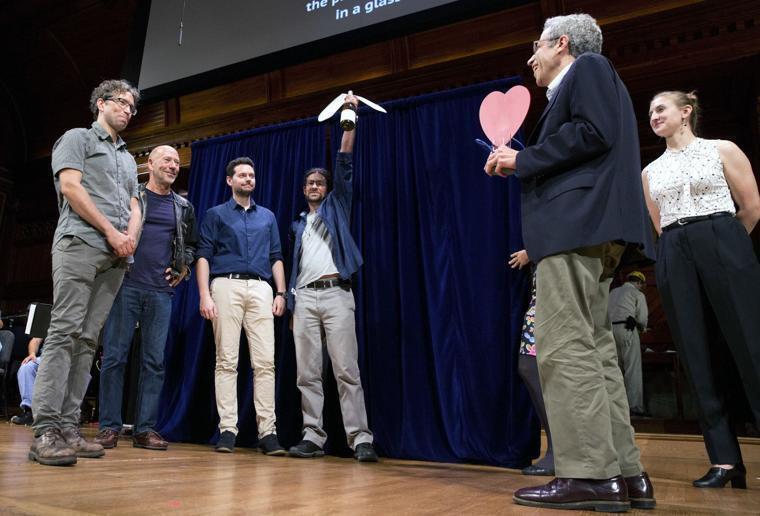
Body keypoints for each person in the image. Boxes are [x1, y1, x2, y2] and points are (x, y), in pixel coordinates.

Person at [484, 13, 656, 511]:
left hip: (576, 229)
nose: (530, 56)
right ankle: (624, 473)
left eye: (536, 45)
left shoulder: (590, 69)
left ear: (562, 44)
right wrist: (525, 159)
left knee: (562, 351)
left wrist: (523, 159)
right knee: (596, 351)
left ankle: (588, 475)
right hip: (590, 231)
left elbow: (591, 133)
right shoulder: (589, 80)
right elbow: (587, 140)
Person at [642, 90, 760, 489]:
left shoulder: (721, 148)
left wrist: (724, 249)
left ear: (686, 112)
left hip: (723, 237)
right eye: (651, 112)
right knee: (695, 352)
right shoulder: (650, 171)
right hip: (675, 248)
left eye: (661, 109)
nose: (654, 116)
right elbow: (659, 223)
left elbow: (751, 206)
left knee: (750, 343)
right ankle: (725, 461)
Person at [30, 79, 141, 466]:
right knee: (64, 332)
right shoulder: (77, 138)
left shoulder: (128, 158)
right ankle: (44, 429)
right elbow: (72, 188)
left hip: (116, 257)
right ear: (101, 103)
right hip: (80, 244)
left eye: (132, 107)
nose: (128, 110)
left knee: (88, 340)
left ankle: (68, 425)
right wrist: (111, 232)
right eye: (122, 103)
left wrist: (130, 238)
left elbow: (135, 202)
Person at [286, 94, 377, 463]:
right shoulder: (296, 225)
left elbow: (343, 163)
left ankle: (360, 439)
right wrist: (292, 303)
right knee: (307, 374)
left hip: (337, 294)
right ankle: (313, 436)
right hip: (305, 298)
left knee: (346, 370)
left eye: (319, 182)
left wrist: (349, 118)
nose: (313, 186)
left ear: (327, 188)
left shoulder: (337, 207)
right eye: (309, 183)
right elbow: (292, 270)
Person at [94, 145, 197, 451]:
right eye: (167, 159)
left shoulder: (183, 207)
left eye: (177, 162)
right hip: (126, 286)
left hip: (160, 292)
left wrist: (183, 267)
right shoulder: (132, 196)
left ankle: (144, 429)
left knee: (154, 362)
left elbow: (190, 243)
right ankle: (109, 427)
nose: (173, 165)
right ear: (150, 163)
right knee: (114, 358)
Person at [196, 157, 287, 456]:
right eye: (242, 175)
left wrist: (281, 293)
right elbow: (204, 255)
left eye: (251, 175)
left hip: (261, 288)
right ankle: (227, 430)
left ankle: (268, 432)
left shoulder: (268, 217)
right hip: (225, 285)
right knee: (226, 360)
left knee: (265, 363)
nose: (248, 179)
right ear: (229, 181)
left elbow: (276, 256)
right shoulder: (215, 214)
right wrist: (204, 295)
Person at [509, 250, 554, 476]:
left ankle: (559, 450)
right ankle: (557, 449)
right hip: (542, 292)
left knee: (531, 367)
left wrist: (534, 250)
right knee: (528, 366)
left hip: (552, 296)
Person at [609, 271, 649, 417]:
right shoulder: (637, 294)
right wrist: (642, 327)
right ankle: (634, 407)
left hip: (610, 331)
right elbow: (643, 318)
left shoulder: (613, 292)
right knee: (632, 369)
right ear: (638, 283)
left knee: (614, 370)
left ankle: (615, 408)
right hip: (627, 328)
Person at [11, 337, 44, 426]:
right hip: (45, 357)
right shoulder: (48, 323)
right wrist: (32, 353)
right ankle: (29, 411)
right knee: (26, 367)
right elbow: (35, 340)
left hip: (68, 357)